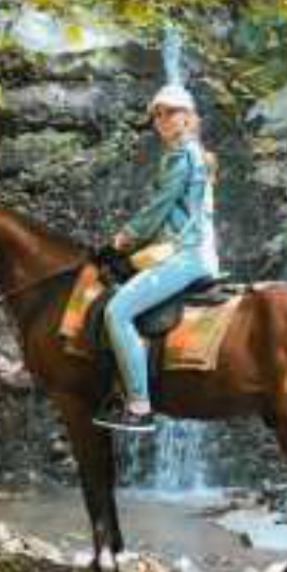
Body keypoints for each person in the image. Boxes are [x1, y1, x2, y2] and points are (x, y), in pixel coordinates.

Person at [95, 83, 222, 436]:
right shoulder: (190, 153)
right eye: (157, 114)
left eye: (170, 111)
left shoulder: (183, 156)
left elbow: (158, 209)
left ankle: (139, 406)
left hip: (187, 256)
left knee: (116, 312)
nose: (162, 119)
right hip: (186, 251)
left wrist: (120, 241)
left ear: (188, 117)